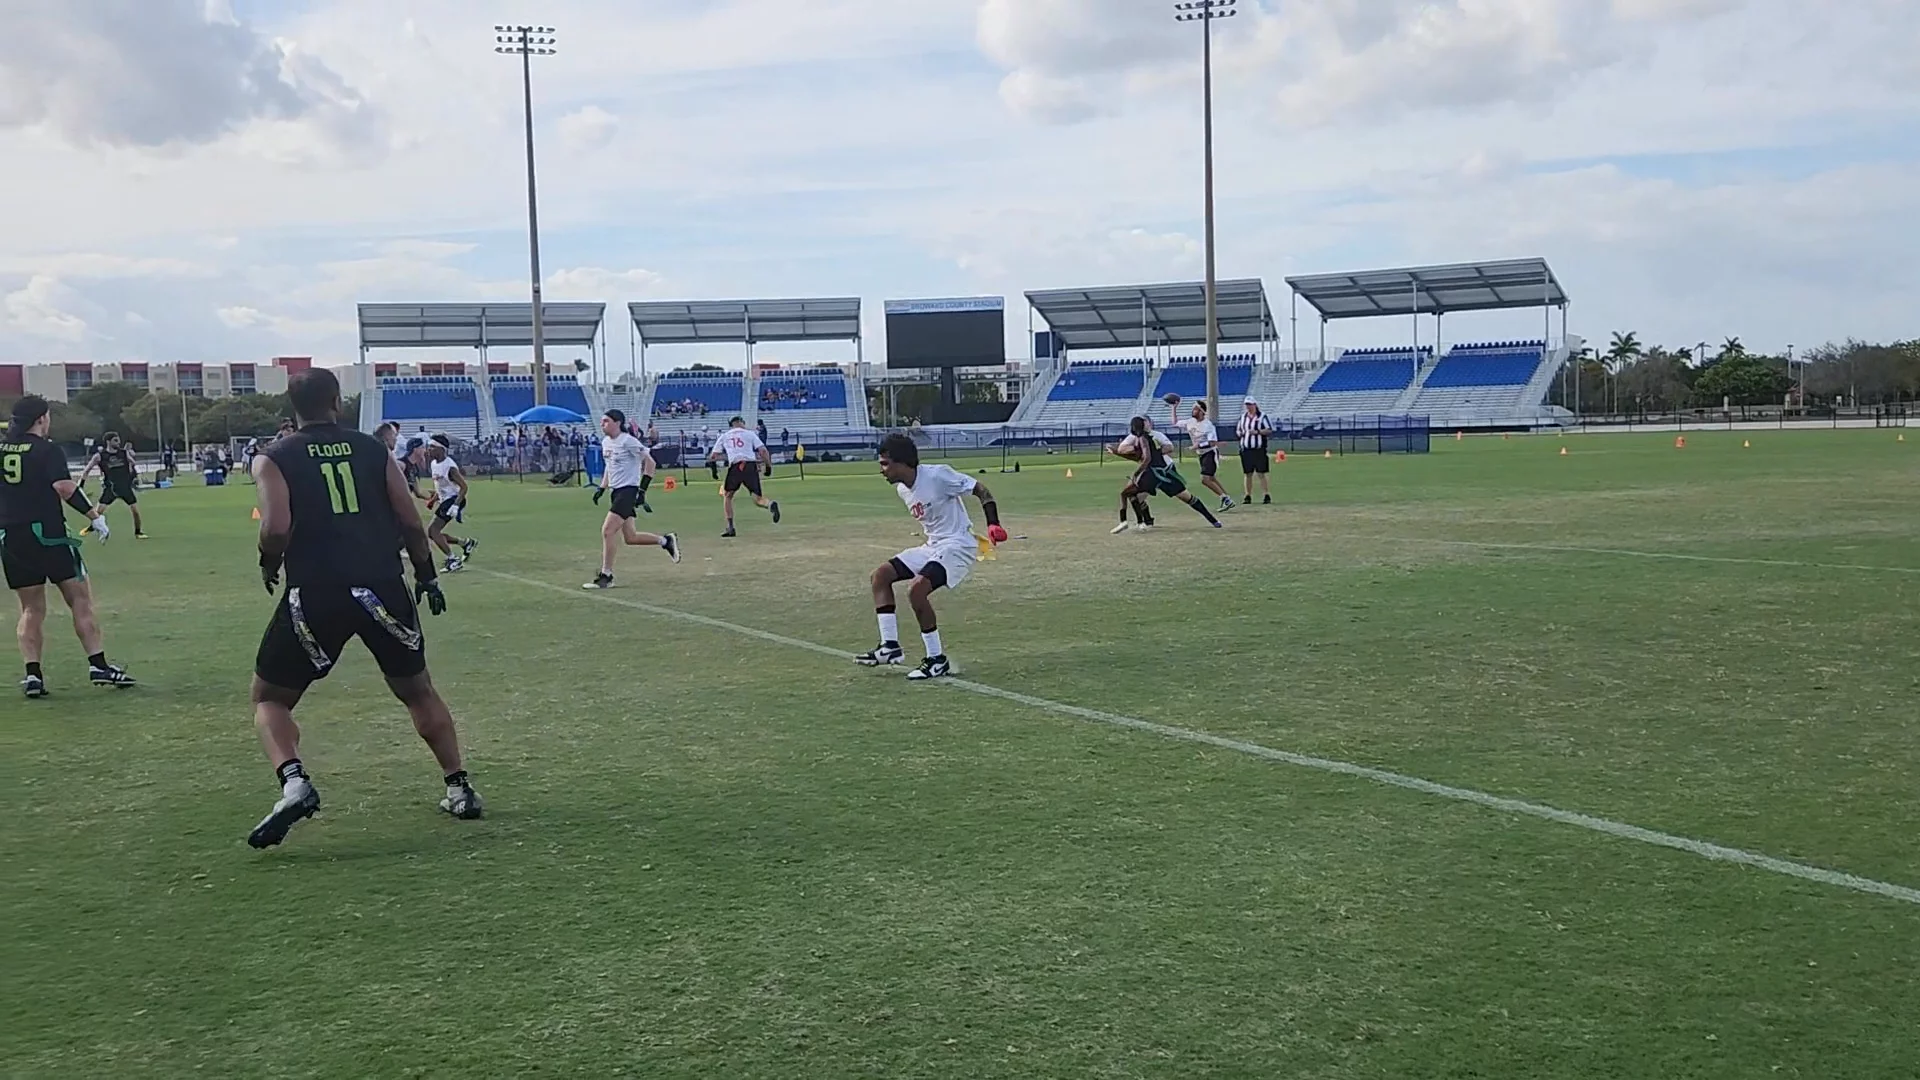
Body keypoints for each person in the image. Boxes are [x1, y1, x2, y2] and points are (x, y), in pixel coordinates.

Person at [246, 367, 481, 849]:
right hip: (382, 585)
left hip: (315, 591)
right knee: (418, 690)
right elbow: (410, 521)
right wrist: (427, 574)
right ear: (337, 401)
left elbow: (275, 528)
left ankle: (294, 781)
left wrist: (269, 562)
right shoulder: (373, 450)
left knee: (270, 698)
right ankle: (458, 786)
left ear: (292, 407)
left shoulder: (273, 456)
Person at [1, 396, 134, 698]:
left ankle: (33, 675)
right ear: (41, 419)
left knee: (31, 608)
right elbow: (63, 487)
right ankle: (98, 664)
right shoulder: (46, 450)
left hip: (13, 537)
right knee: (80, 599)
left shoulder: (2, 449)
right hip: (48, 534)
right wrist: (94, 516)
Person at [856, 434, 1006, 681]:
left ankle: (937, 659)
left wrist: (993, 523)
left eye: (885, 464)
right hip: (933, 546)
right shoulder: (903, 490)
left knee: (917, 590)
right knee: (880, 576)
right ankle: (889, 646)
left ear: (901, 462)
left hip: (958, 545)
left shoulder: (937, 475)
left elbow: (981, 489)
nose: (881, 470)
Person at [585, 409, 679, 590]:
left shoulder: (628, 441)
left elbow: (650, 463)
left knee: (607, 531)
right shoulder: (606, 442)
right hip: (616, 492)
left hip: (628, 491)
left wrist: (642, 490)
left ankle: (606, 575)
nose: (602, 424)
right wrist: (602, 488)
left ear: (617, 422)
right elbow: (609, 467)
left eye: (606, 421)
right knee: (630, 537)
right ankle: (665, 541)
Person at [1110, 416, 1223, 531]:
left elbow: (1169, 448)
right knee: (1136, 497)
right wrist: (1135, 450)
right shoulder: (1135, 437)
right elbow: (1122, 449)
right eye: (1144, 422)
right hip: (1150, 471)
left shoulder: (1155, 435)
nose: (1147, 424)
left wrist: (1153, 453)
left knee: (1186, 497)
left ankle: (1213, 520)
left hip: (1165, 471)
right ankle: (1146, 522)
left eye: (1147, 421)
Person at [707, 416, 780, 538]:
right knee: (758, 499)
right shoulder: (750, 434)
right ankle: (770, 504)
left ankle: (730, 527)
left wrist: (714, 470)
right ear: (741, 423)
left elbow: (713, 456)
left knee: (727, 496)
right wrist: (768, 467)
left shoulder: (725, 436)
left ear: (731, 424)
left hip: (736, 466)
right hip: (750, 466)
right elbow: (763, 451)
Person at [1168, 395, 1235, 511]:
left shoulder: (1208, 425)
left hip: (1210, 453)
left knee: (1205, 479)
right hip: (1201, 454)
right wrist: (1174, 408)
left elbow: (1212, 442)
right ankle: (1227, 499)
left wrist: (1197, 445)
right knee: (1211, 478)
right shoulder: (1190, 422)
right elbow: (1175, 423)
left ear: (1201, 412)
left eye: (1195, 409)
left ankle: (1225, 499)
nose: (1193, 411)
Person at [77, 431, 149, 539]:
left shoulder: (124, 453)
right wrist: (81, 485)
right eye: (115, 440)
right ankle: (91, 528)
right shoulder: (100, 456)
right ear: (108, 442)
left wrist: (135, 476)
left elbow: (133, 463)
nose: (118, 442)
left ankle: (138, 532)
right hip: (110, 488)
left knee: (135, 511)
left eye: (118, 440)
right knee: (97, 513)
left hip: (125, 487)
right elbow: (87, 470)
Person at [424, 435, 477, 572]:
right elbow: (441, 486)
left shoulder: (449, 467)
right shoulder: (434, 464)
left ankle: (453, 559)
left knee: (433, 531)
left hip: (454, 499)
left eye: (432, 447)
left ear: (441, 449)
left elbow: (464, 487)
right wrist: (433, 500)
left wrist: (456, 505)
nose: (429, 449)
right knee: (434, 533)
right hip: (446, 500)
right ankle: (465, 543)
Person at [1237, 399, 1274, 505]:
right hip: (1246, 449)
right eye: (1247, 405)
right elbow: (1238, 430)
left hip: (1259, 449)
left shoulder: (1262, 417)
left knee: (1261, 473)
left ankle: (1266, 494)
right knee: (1248, 473)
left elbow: (1269, 430)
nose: (1248, 407)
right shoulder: (1243, 417)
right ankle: (1247, 495)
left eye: (1250, 404)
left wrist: (1257, 432)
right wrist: (1240, 433)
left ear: (1254, 405)